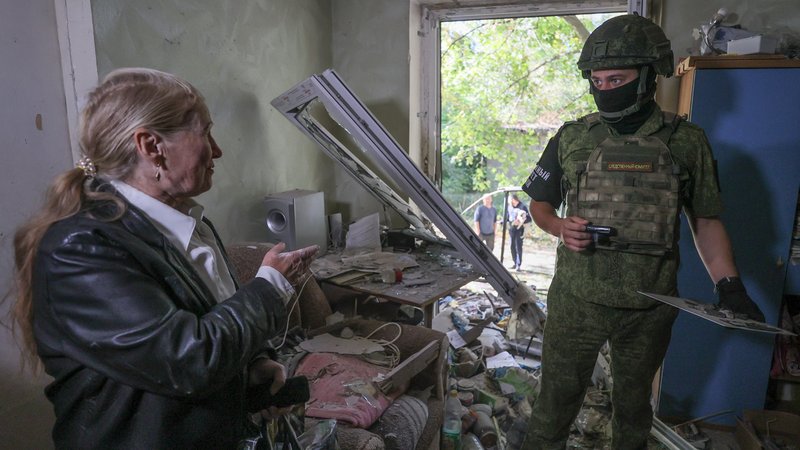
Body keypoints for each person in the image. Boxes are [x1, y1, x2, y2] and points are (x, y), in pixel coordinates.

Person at [8, 68, 319, 449]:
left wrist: (253, 365)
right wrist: (269, 287)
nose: (217, 150)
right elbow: (188, 360)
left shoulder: (188, 223)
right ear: (151, 146)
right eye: (205, 132)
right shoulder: (80, 247)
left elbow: (205, 322)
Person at [519, 15, 765, 449]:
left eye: (617, 79)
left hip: (649, 306)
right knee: (553, 406)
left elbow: (706, 220)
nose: (604, 89)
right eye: (597, 81)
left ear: (650, 76)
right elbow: (539, 204)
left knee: (633, 410)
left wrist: (730, 286)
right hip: (577, 300)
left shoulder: (687, 141)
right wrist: (559, 227)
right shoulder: (572, 137)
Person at [507, 194, 530, 271]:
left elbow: (528, 219)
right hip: (512, 229)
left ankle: (518, 264)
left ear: (513, 199)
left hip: (520, 229)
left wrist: (520, 221)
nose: (509, 201)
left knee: (518, 247)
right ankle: (514, 262)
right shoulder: (509, 207)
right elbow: (507, 217)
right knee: (512, 246)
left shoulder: (522, 207)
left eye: (510, 200)